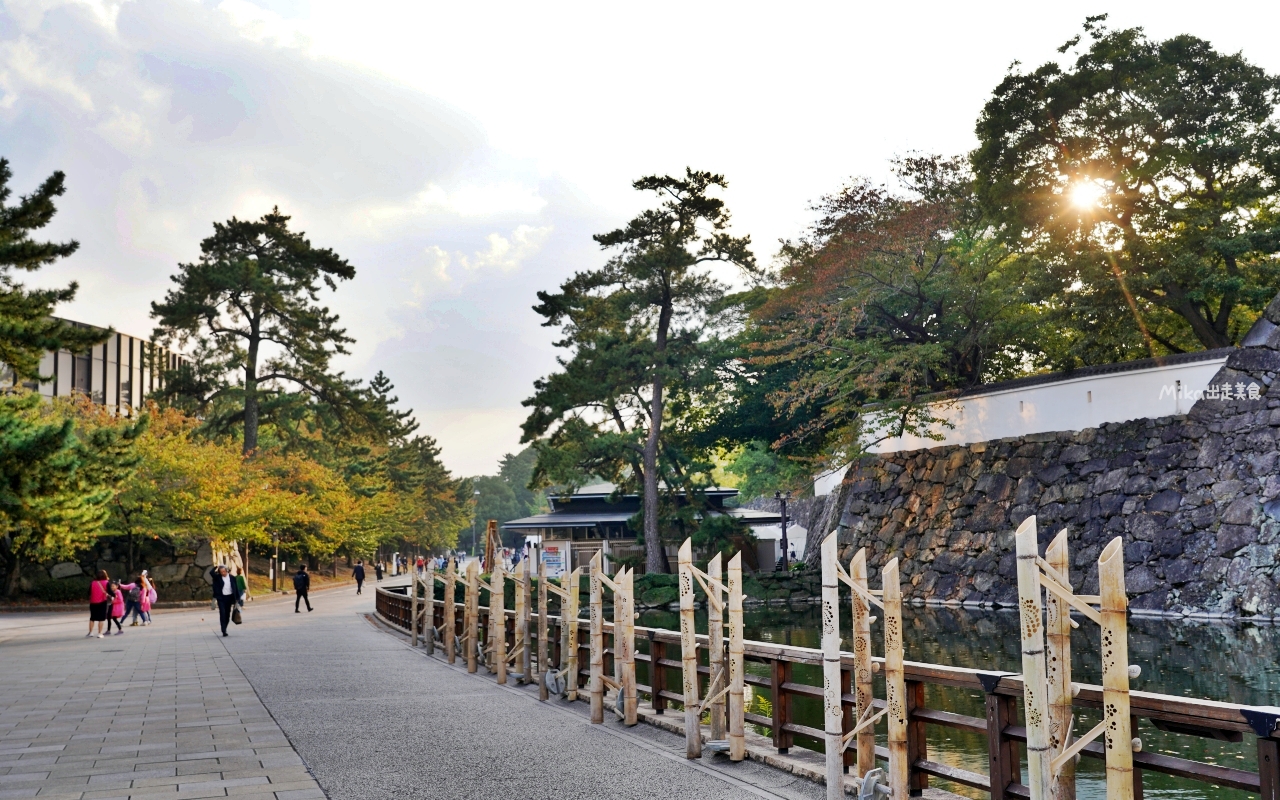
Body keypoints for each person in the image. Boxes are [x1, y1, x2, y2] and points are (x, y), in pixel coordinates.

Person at [212, 565, 237, 636]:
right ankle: (223, 630)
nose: (223, 573)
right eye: (221, 572)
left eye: (224, 571)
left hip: (229, 598)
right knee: (222, 613)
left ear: (227, 570)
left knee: (227, 614)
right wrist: (216, 567)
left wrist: (237, 598)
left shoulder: (232, 578)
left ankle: (225, 627)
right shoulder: (218, 578)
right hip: (221, 598)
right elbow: (211, 573)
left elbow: (235, 588)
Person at [87, 570, 110, 638]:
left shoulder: (93, 583)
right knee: (101, 618)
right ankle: (100, 633)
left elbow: (89, 592)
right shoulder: (106, 582)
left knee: (92, 618)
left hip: (93, 602)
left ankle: (90, 632)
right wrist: (114, 596)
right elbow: (110, 591)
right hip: (102, 602)